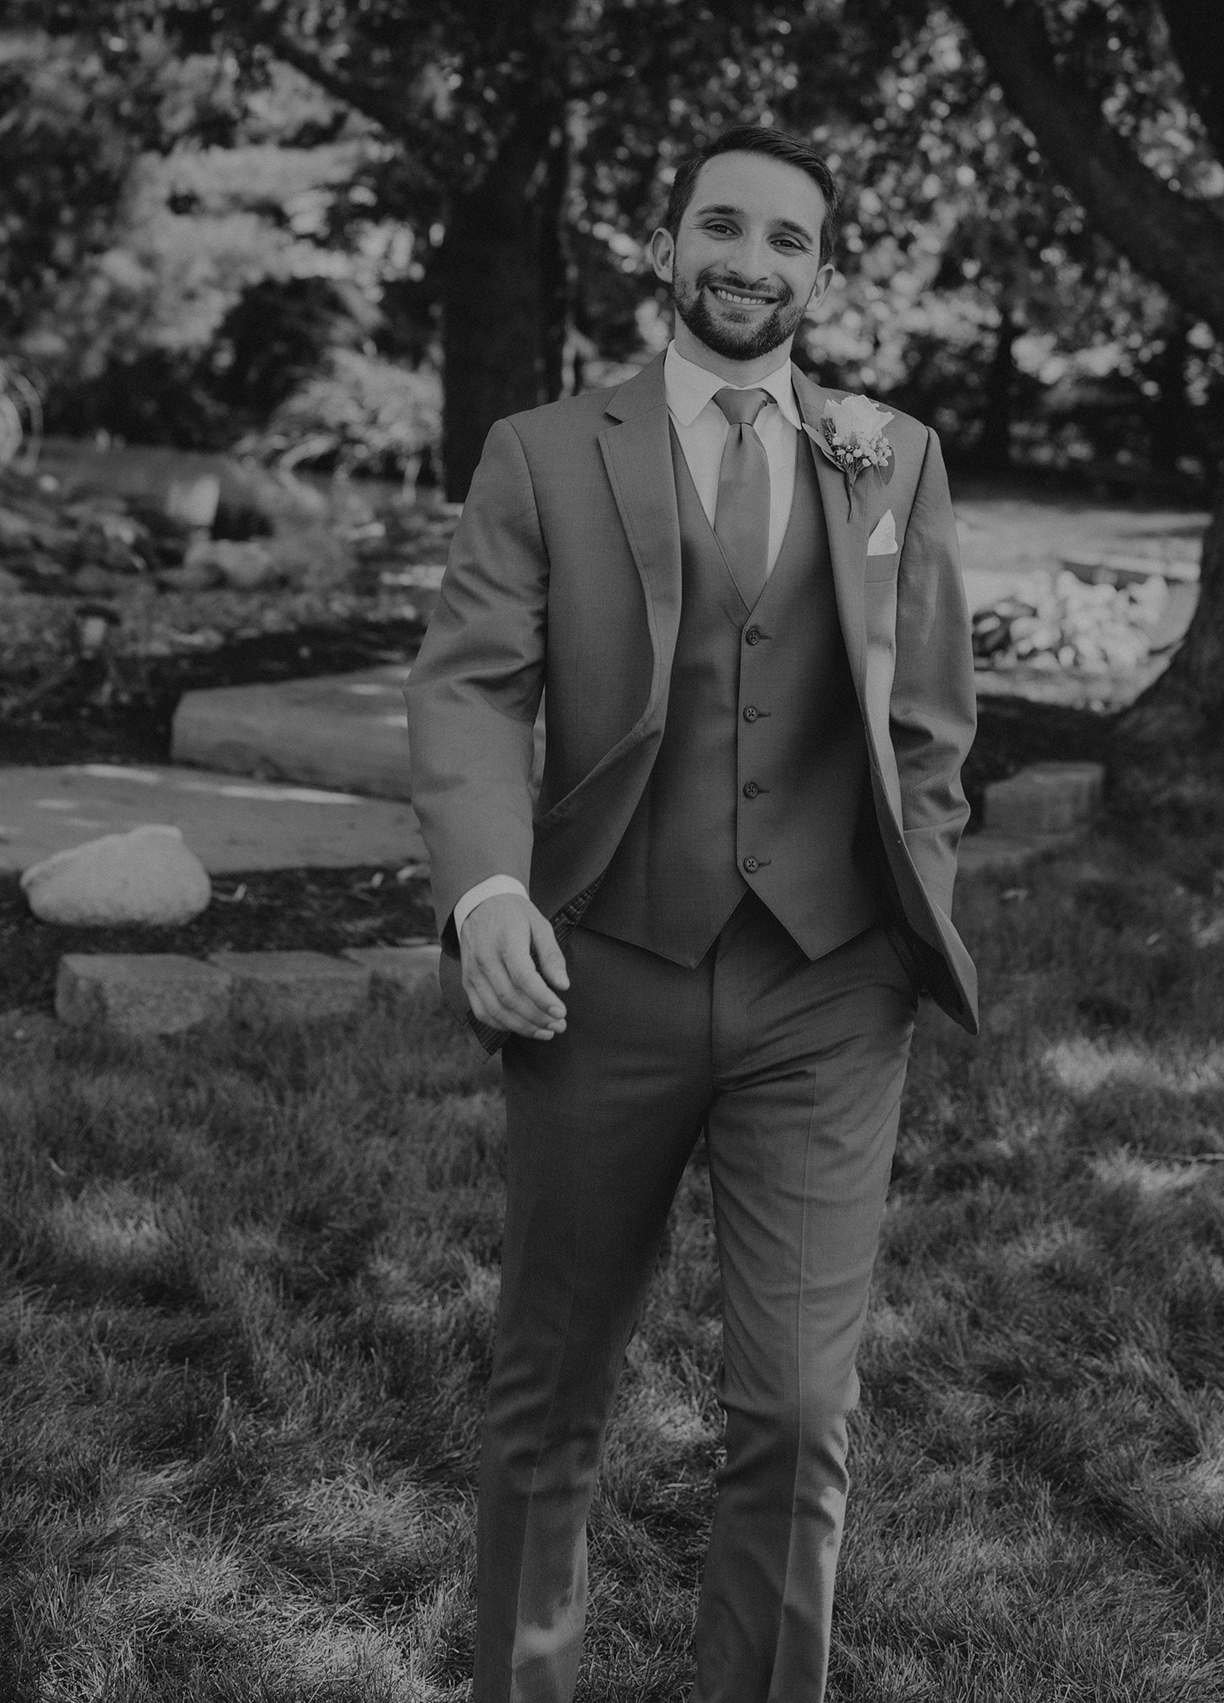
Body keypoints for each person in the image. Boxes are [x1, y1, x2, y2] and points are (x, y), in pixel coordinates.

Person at [407, 122, 978, 1703]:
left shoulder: (892, 454)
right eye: (721, 226)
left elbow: (931, 727)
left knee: (797, 1411)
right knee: (549, 1389)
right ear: (666, 250)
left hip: (826, 987)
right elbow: (469, 691)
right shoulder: (542, 451)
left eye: (788, 239)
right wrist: (492, 891)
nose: (750, 261)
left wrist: (908, 909)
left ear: (823, 277)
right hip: (603, 973)